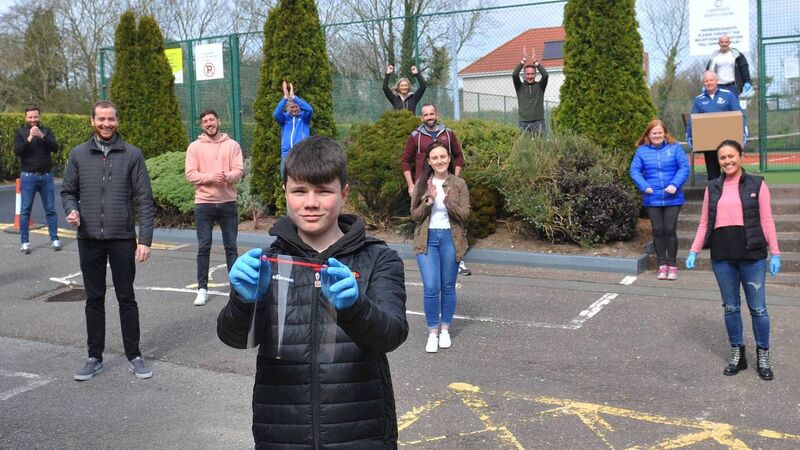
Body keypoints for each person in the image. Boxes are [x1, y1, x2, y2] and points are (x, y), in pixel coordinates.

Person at [217, 136, 408, 448]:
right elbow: (238, 339)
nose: (310, 203)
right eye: (299, 191)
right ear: (285, 193)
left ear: (343, 194)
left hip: (361, 430)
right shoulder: (270, 262)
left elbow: (392, 334)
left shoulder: (378, 259)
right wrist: (244, 301)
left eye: (324, 191)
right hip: (281, 429)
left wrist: (356, 308)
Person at [61, 100, 156, 381]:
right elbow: (67, 191)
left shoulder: (132, 154)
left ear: (117, 121)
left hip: (122, 238)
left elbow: (145, 200)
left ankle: (134, 355)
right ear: (92, 121)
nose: (106, 124)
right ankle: (94, 357)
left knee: (126, 297)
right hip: (88, 238)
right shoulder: (78, 155)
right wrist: (71, 209)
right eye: (101, 119)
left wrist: (145, 239)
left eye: (111, 119)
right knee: (94, 298)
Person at [686, 140, 782, 381]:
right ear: (718, 161)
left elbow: (767, 220)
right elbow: (704, 223)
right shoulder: (713, 188)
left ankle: (763, 354)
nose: (727, 161)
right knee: (730, 307)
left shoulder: (757, 184)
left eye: (731, 156)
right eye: (722, 158)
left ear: (741, 156)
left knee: (758, 309)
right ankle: (737, 353)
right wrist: (694, 250)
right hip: (722, 256)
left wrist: (776, 253)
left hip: (752, 255)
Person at [410, 141, 470, 353]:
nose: (440, 161)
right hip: (427, 239)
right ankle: (432, 332)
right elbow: (414, 216)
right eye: (435, 158)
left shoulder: (459, 184)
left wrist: (447, 203)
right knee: (431, 287)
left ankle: (445, 329)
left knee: (447, 286)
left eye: (443, 156)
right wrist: (428, 201)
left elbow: (465, 214)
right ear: (429, 161)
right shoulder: (422, 184)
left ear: (449, 158)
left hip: (450, 239)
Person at [401, 103, 470, 275]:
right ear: (421, 117)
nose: (429, 117)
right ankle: (430, 259)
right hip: (423, 185)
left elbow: (459, 156)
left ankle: (457, 260)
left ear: (437, 114)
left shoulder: (447, 133)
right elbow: (405, 161)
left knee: (453, 220)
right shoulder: (416, 136)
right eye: (426, 115)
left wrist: (455, 178)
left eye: (432, 114)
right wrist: (411, 185)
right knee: (424, 222)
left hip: (448, 184)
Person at [185, 110, 244, 306]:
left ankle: (236, 288)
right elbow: (191, 174)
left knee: (231, 247)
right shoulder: (194, 147)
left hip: (228, 202)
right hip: (203, 203)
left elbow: (239, 170)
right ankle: (202, 289)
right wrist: (212, 177)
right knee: (204, 247)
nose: (209, 123)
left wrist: (227, 177)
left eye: (211, 120)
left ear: (219, 121)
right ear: (202, 126)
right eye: (204, 121)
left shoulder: (232, 145)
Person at [629, 119, 690, 280]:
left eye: (659, 132)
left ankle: (672, 264)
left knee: (669, 229)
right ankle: (662, 264)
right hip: (653, 198)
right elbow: (634, 171)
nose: (657, 135)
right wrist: (644, 185)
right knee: (658, 230)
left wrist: (675, 184)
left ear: (664, 133)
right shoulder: (642, 151)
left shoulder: (675, 147)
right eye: (653, 133)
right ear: (648, 134)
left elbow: (684, 167)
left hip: (673, 198)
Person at [12, 106, 61, 254]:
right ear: (25, 118)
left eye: (35, 117)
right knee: (25, 210)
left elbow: (55, 148)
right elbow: (17, 151)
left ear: (40, 117)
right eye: (30, 117)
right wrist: (29, 138)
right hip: (28, 177)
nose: (33, 120)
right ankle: (25, 242)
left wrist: (42, 136)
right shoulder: (20, 132)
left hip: (46, 176)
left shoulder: (46, 131)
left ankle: (54, 239)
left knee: (51, 210)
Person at [686, 71, 747, 180]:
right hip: (709, 144)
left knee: (731, 171)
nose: (709, 83)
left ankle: (735, 193)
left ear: (716, 81)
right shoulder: (699, 99)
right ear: (703, 83)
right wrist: (690, 137)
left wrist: (743, 133)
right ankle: (715, 195)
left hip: (728, 143)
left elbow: (739, 115)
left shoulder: (728, 95)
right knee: (713, 175)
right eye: (706, 81)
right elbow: (693, 120)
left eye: (711, 80)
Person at [274, 80, 312, 178]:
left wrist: (294, 97)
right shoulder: (284, 119)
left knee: (303, 179)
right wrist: (285, 98)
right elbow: (276, 113)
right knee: (286, 181)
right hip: (286, 154)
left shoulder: (304, 118)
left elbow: (309, 109)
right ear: (287, 108)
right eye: (291, 107)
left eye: (296, 107)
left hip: (302, 153)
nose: (294, 109)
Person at [512, 56, 549, 135]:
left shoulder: (540, 86)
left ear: (535, 74)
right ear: (525, 74)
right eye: (528, 74)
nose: (530, 76)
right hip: (523, 122)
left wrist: (536, 63)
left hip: (539, 122)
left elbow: (545, 75)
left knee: (541, 145)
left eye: (532, 74)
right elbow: (514, 75)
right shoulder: (519, 86)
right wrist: (522, 62)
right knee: (525, 145)